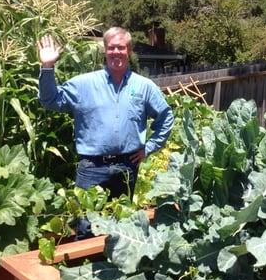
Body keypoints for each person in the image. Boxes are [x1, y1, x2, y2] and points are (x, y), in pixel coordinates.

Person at [37, 27, 174, 237]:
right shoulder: (84, 84)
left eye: (121, 47)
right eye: (111, 47)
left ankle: (115, 268)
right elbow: (50, 100)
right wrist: (47, 66)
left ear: (128, 50)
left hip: (126, 167)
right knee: (85, 227)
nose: (116, 52)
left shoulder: (144, 87)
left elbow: (166, 117)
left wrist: (149, 148)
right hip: (91, 168)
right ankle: (82, 269)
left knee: (121, 228)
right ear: (105, 50)